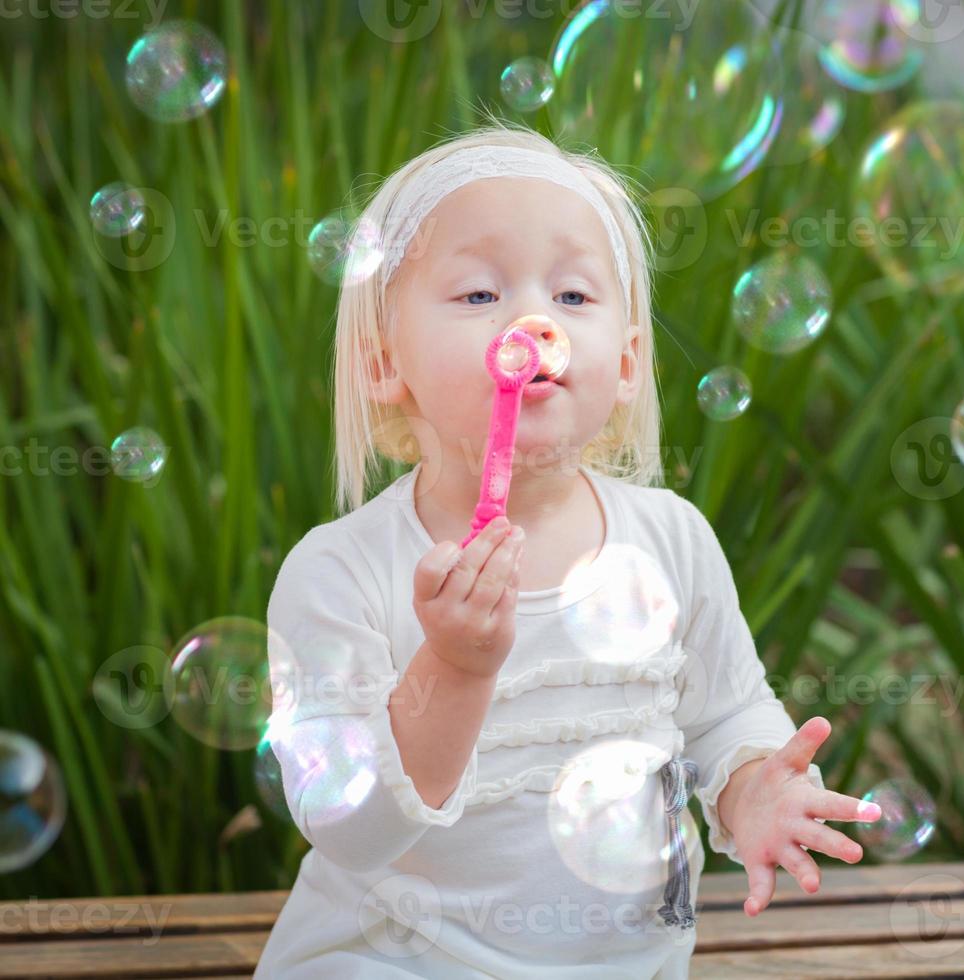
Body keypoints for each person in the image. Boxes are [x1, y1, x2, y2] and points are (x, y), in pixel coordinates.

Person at [254, 118, 881, 979]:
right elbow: (350, 830)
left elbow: (725, 715)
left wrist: (753, 790)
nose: (533, 321)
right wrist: (455, 667)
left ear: (626, 364)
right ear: (380, 362)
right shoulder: (341, 571)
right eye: (478, 294)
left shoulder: (671, 539)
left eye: (575, 297)